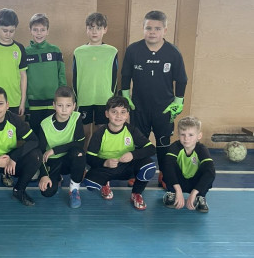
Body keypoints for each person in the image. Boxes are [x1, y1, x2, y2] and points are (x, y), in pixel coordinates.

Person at [120, 10, 187, 186]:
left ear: (165, 30)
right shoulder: (133, 50)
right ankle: (137, 172)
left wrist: (178, 101)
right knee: (138, 142)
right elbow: (125, 76)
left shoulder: (173, 52)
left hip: (164, 108)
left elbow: (181, 79)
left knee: (163, 143)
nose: (152, 32)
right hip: (138, 107)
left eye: (157, 28)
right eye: (148, 28)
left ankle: (164, 174)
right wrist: (125, 96)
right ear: (143, 28)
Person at [83, 96, 156, 210]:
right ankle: (105, 183)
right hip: (108, 168)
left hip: (127, 167)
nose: (118, 116)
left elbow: (151, 149)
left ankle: (136, 193)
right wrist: (105, 162)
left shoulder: (132, 130)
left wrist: (133, 155)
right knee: (90, 183)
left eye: (123, 112)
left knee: (149, 167)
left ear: (127, 115)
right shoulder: (99, 134)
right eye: (114, 112)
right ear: (107, 114)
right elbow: (89, 158)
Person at [0, 86, 41, 206]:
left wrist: (14, 157)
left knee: (36, 155)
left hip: (10, 160)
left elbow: (34, 140)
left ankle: (19, 190)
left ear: (7, 105)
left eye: (0, 103)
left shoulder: (14, 119)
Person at [73, 12, 118, 144]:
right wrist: (76, 98)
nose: (94, 31)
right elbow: (75, 77)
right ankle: (83, 156)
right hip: (84, 98)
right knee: (84, 134)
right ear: (86, 29)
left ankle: (99, 157)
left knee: (101, 133)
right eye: (91, 28)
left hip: (104, 98)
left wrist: (113, 98)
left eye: (98, 28)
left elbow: (114, 77)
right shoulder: (78, 52)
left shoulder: (112, 51)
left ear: (105, 29)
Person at [37, 86, 86, 208]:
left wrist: (55, 150)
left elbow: (79, 143)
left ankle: (74, 189)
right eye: (60, 105)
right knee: (47, 192)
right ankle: (57, 177)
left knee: (79, 153)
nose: (64, 109)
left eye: (68, 105)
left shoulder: (76, 118)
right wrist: (44, 175)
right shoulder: (45, 124)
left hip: (69, 158)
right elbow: (40, 152)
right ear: (54, 105)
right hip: (53, 162)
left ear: (74, 106)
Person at [162, 116, 215, 212]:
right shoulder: (175, 147)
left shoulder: (202, 150)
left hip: (194, 182)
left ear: (199, 136)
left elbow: (210, 173)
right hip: (178, 181)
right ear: (178, 135)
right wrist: (178, 190)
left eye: (191, 135)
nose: (186, 138)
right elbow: (168, 167)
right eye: (183, 134)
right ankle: (172, 192)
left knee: (208, 171)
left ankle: (200, 196)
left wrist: (194, 192)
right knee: (167, 166)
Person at [25, 13, 66, 135]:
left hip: (53, 103)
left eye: (42, 30)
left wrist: (62, 99)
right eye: (35, 30)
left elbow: (61, 76)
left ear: (47, 31)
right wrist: (25, 103)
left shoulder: (55, 50)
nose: (39, 33)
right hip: (34, 104)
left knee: (53, 135)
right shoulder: (25, 52)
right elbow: (22, 79)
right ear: (30, 30)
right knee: (37, 136)